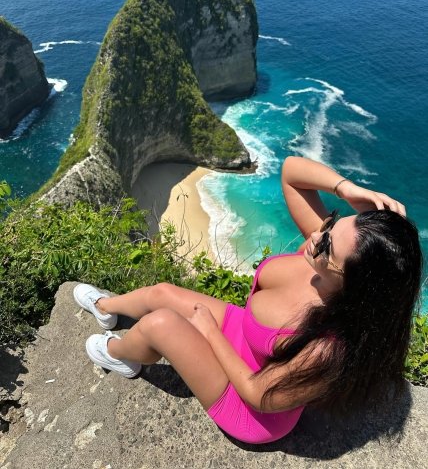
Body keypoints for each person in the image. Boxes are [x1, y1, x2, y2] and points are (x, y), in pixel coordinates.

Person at [73, 156, 423, 444]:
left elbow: (260, 396)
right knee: (161, 293)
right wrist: (347, 190)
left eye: (329, 244)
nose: (318, 236)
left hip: (249, 406)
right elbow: (291, 172)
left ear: (356, 286)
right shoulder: (322, 256)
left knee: (160, 324)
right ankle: (105, 308)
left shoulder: (329, 347)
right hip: (244, 335)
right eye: (332, 224)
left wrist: (210, 333)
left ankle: (119, 355)